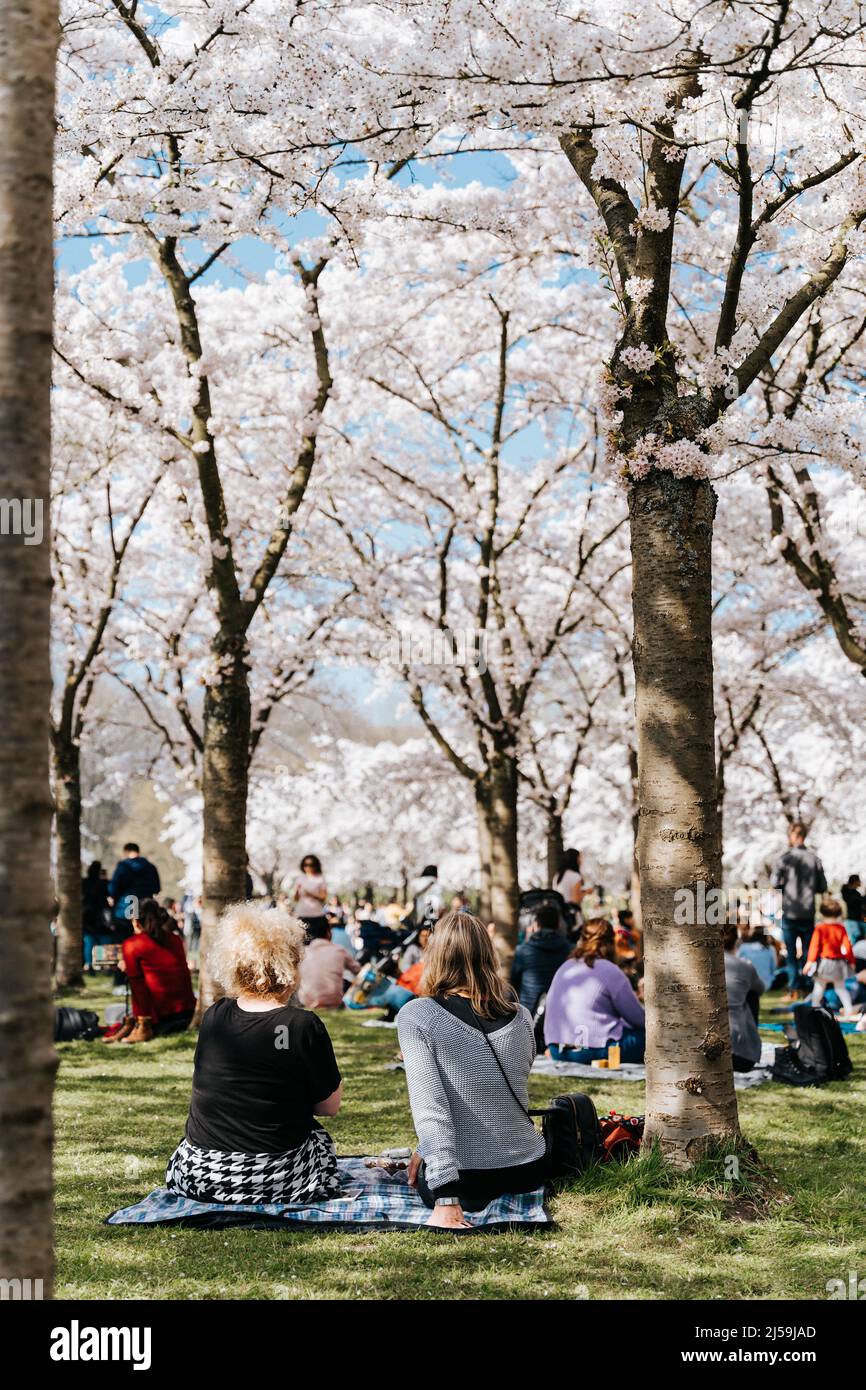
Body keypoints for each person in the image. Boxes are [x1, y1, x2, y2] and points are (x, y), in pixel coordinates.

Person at [165, 902, 343, 1205]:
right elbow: (328, 1107)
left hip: (199, 1174)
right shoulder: (301, 1025)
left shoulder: (215, 1016)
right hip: (273, 1178)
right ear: (290, 963)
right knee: (320, 1141)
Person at [397, 911, 548, 1230]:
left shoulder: (418, 1016)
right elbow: (493, 1094)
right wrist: (425, 1149)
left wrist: (447, 1200)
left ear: (435, 955)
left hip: (466, 1183)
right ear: (488, 954)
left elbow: (431, 1110)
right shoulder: (521, 1016)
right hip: (529, 1171)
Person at [543, 918, 646, 1063]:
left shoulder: (565, 967)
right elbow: (637, 1018)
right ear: (610, 943)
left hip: (557, 1049)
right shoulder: (610, 970)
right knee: (649, 1037)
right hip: (591, 1049)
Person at [106, 899, 196, 1044]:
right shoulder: (175, 939)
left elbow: (137, 986)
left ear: (136, 921)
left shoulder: (132, 944)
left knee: (113, 1012)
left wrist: (143, 1022)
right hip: (187, 1013)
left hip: (157, 1019)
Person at [771, 822, 827, 999]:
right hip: (808, 913)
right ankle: (808, 987)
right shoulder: (814, 859)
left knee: (791, 954)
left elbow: (774, 883)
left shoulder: (784, 859)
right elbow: (822, 886)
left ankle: (794, 989)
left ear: (794, 836)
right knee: (809, 953)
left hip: (790, 912)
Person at [510, 904, 572, 1015]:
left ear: (536, 924)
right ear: (558, 925)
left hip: (529, 1014)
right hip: (561, 1013)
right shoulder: (569, 950)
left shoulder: (523, 951)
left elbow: (513, 983)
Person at [722, 924, 765, 1071]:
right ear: (736, 942)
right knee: (752, 994)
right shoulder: (744, 966)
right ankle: (749, 1039)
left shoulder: (697, 966)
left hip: (696, 1049)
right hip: (740, 1056)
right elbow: (760, 989)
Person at [804, 898, 857, 1016]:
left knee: (819, 988)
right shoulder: (841, 928)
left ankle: (815, 1009)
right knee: (841, 988)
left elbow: (814, 947)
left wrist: (809, 962)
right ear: (838, 912)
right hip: (839, 964)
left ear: (822, 912)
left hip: (824, 963)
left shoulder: (820, 928)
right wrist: (852, 961)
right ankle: (848, 1011)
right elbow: (847, 946)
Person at [297, 920, 360, 1009]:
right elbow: (358, 970)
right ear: (328, 933)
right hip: (334, 1001)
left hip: (307, 1001)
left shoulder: (304, 952)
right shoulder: (338, 950)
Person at [108, 843, 161, 941]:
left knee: (124, 941)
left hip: (124, 909)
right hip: (145, 909)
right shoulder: (150, 867)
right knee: (145, 938)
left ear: (126, 852)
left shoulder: (123, 867)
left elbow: (113, 888)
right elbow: (156, 888)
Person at [81, 860, 110, 973]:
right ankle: (102, 964)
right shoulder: (103, 884)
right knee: (102, 940)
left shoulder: (84, 882)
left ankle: (89, 964)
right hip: (101, 916)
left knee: (89, 941)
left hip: (87, 915)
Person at [736, 924, 782, 993]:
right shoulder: (770, 949)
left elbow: (736, 965)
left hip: (746, 984)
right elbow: (774, 968)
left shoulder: (743, 947)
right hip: (766, 984)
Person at [292, 854, 328, 934]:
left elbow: (324, 897)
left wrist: (310, 893)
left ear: (316, 865)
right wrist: (297, 891)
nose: (308, 867)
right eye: (306, 864)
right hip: (301, 913)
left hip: (316, 914)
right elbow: (295, 899)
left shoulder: (320, 878)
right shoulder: (300, 878)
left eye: (311, 865)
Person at [552, 848, 585, 912]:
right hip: (571, 916)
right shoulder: (575, 876)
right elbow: (575, 901)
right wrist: (586, 893)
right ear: (575, 859)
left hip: (560, 915)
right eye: (579, 858)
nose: (581, 861)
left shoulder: (558, 876)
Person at [841, 874, 865, 944]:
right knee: (855, 939)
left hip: (862, 919)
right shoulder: (848, 892)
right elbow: (854, 901)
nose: (860, 882)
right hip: (852, 920)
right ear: (855, 881)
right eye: (859, 880)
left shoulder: (856, 893)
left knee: (861, 938)